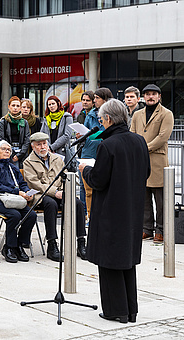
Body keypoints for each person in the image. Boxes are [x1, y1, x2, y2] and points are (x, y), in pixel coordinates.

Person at [80, 99, 150, 324]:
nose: (100, 123)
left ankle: (115, 310)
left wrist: (85, 169)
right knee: (126, 261)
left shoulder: (107, 145)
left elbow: (98, 180)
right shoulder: (139, 141)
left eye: (101, 119)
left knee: (110, 260)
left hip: (110, 210)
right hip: (132, 208)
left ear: (108, 119)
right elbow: (146, 172)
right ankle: (130, 310)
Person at [23, 132, 87, 262]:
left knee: (78, 204)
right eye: (39, 145)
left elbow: (64, 177)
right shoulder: (28, 162)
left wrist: (64, 192)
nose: (43, 147)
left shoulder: (57, 159)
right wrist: (55, 192)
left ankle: (81, 243)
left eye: (44, 144)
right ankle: (52, 245)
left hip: (59, 193)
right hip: (40, 196)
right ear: (33, 146)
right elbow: (35, 183)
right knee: (50, 203)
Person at [130, 84, 174, 243]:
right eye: (147, 94)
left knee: (160, 200)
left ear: (159, 96)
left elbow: (163, 137)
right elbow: (132, 133)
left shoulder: (166, 114)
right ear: (143, 97)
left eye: (153, 94)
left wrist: (142, 148)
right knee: (144, 199)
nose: (150, 97)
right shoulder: (137, 114)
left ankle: (161, 229)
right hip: (140, 162)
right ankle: (146, 229)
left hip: (157, 161)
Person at [0, 140, 36, 263]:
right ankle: (9, 247)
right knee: (14, 215)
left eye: (9, 150)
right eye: (3, 149)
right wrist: (17, 192)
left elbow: (22, 183)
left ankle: (20, 245)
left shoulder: (12, 168)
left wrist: (27, 192)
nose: (7, 151)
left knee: (31, 215)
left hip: (13, 201)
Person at [77, 90, 104, 219]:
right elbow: (85, 132)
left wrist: (90, 135)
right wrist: (80, 135)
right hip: (87, 151)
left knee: (96, 184)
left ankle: (95, 214)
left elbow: (105, 132)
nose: (93, 101)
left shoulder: (107, 113)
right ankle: (84, 214)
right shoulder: (89, 115)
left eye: (95, 98)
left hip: (99, 151)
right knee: (83, 184)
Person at [0, 96, 30, 168]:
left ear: (20, 108)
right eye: (13, 105)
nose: (15, 108)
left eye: (18, 106)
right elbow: (1, 138)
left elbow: (27, 139)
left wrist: (19, 155)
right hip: (8, 151)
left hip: (21, 152)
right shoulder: (3, 121)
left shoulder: (24, 122)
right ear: (9, 107)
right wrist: (11, 153)